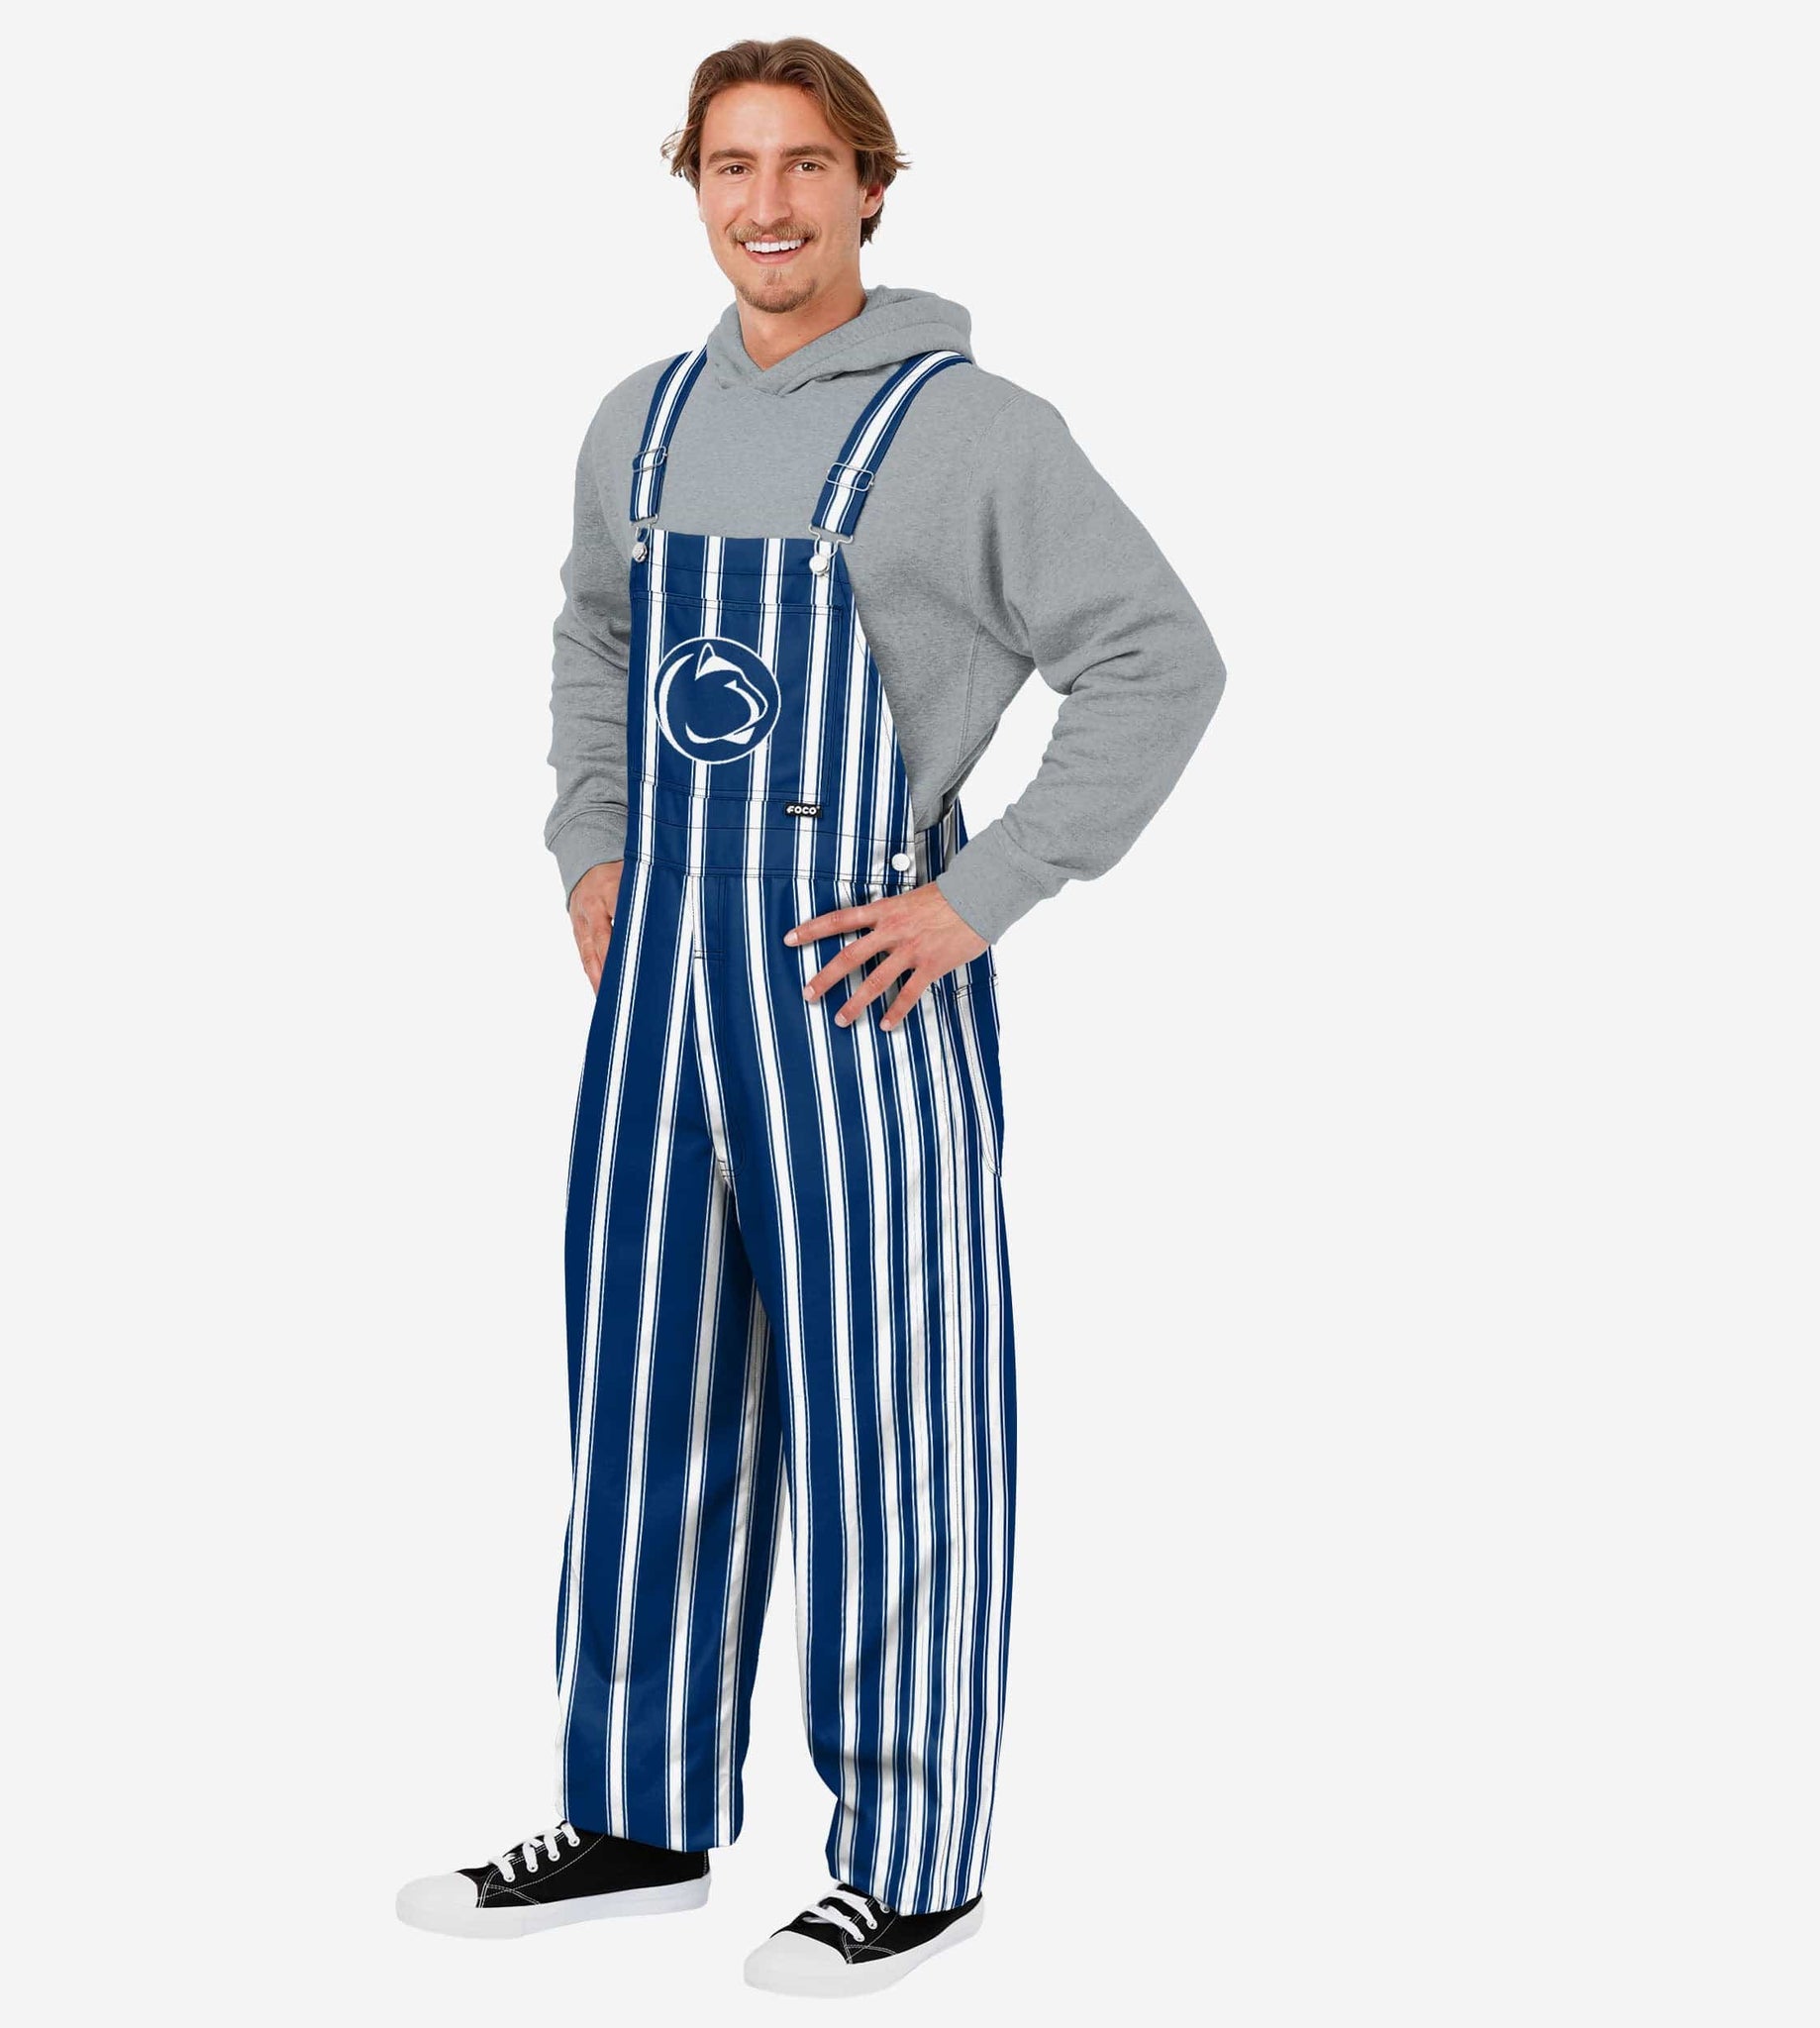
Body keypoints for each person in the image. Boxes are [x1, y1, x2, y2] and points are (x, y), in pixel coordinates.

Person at [398, 35, 1226, 1998]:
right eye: (728, 166)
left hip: (860, 986)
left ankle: (912, 1860)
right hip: (653, 995)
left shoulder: (973, 432)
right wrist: (588, 843)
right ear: (689, 184)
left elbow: (1160, 660)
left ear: (871, 184)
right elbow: (595, 634)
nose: (764, 204)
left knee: (892, 1423)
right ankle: (636, 1815)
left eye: (803, 165)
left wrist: (976, 897)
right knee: (644, 1404)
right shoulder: (641, 420)